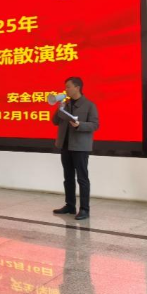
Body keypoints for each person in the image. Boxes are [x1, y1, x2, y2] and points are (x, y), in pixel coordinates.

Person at [51, 77, 99, 221]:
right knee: (68, 178)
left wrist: (80, 125)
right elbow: (55, 121)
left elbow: (95, 125)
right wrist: (59, 108)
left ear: (77, 87)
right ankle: (70, 206)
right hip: (65, 146)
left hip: (80, 147)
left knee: (82, 179)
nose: (66, 90)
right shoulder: (65, 104)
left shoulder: (89, 105)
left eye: (68, 87)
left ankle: (84, 209)